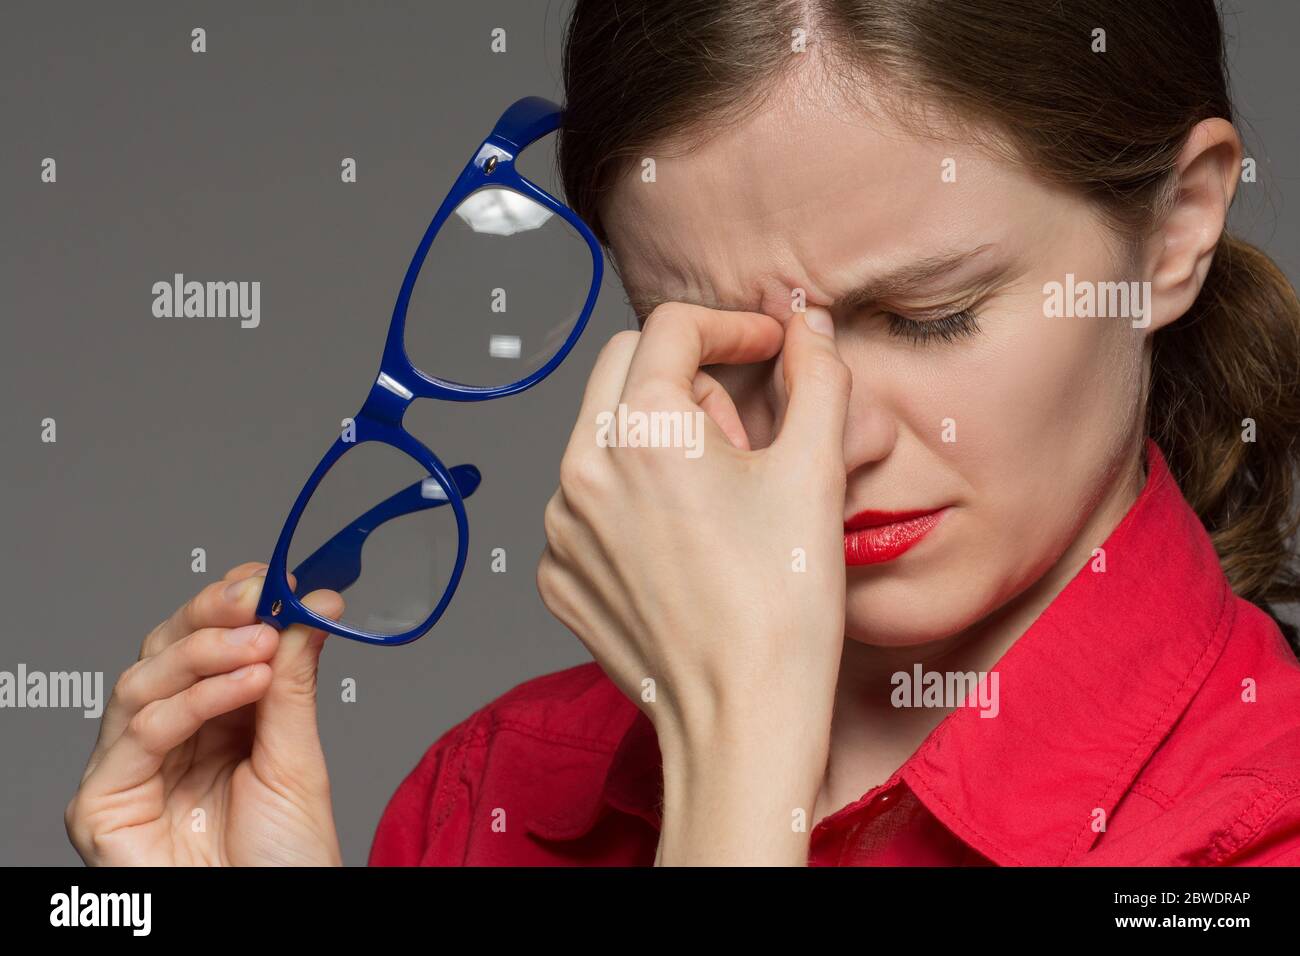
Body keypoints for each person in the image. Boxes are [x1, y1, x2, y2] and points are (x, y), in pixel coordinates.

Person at [68, 0, 1300, 866]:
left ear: (1177, 224)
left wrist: (737, 759)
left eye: (928, 317)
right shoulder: (492, 792)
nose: (827, 438)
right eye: (718, 339)